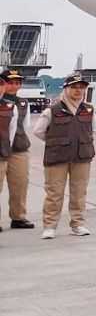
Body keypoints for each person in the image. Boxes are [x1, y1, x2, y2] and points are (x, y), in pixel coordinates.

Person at [35, 72, 95, 240]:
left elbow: (93, 131)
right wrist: (57, 142)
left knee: (79, 192)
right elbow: (38, 131)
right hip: (57, 157)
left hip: (81, 157)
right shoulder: (52, 110)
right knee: (54, 192)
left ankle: (78, 224)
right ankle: (50, 226)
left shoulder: (89, 110)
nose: (78, 90)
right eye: (73, 87)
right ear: (66, 89)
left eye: (81, 87)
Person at [1, 70, 34, 231]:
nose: (15, 85)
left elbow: (25, 126)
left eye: (18, 82)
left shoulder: (23, 103)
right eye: (11, 82)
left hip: (19, 150)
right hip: (1, 150)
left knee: (20, 184)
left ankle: (18, 217)